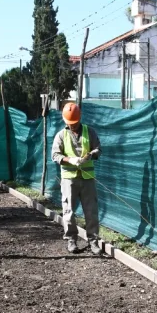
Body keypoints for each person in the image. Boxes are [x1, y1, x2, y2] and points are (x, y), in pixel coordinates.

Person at [51, 102, 102, 255]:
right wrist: (70, 160)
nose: (72, 126)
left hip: (87, 178)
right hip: (69, 179)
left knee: (91, 211)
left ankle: (93, 241)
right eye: (69, 123)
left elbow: (98, 148)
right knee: (69, 211)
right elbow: (55, 155)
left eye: (74, 123)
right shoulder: (61, 135)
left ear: (79, 119)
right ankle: (72, 240)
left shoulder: (90, 132)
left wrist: (90, 156)